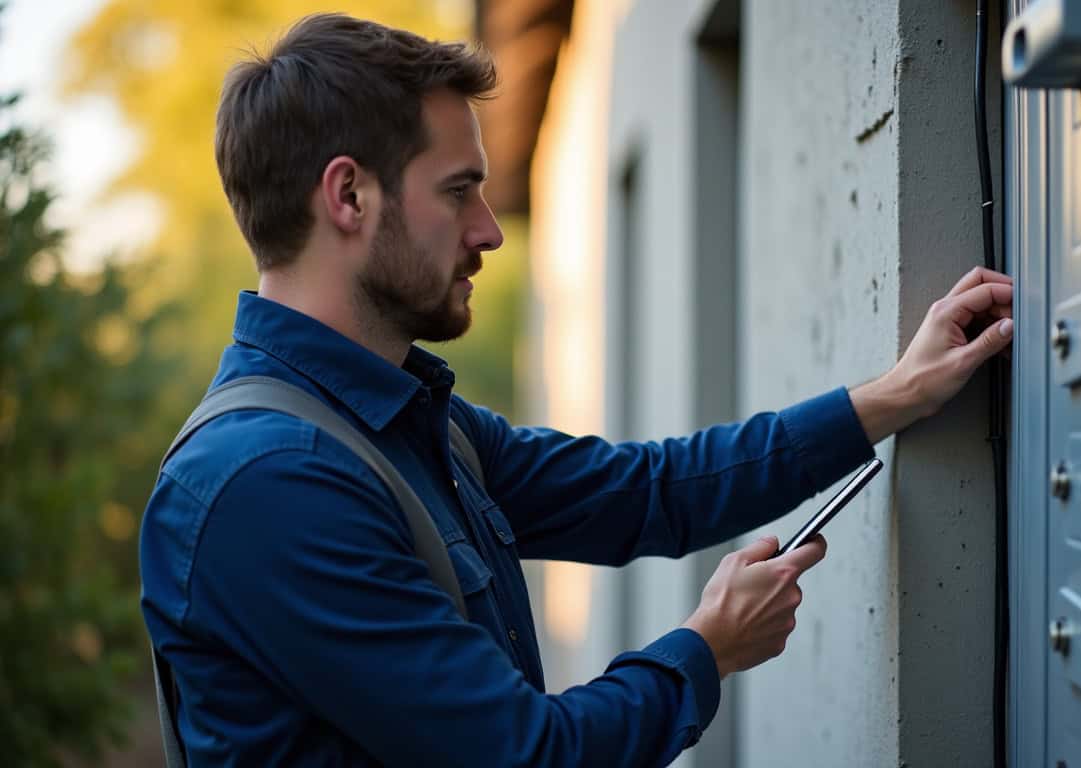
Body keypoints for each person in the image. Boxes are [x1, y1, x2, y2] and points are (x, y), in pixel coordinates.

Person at [139, 12, 1015, 767]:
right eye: (459, 192)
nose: (489, 230)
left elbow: (650, 492)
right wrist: (705, 651)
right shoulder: (268, 484)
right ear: (349, 196)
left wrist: (891, 397)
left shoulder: (404, 424)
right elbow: (527, 753)